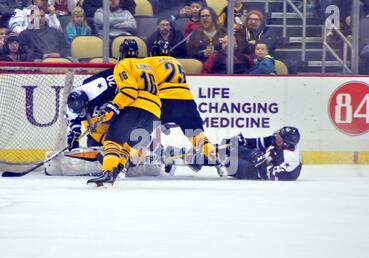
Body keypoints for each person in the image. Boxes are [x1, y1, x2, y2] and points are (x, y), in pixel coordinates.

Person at [86, 39, 162, 187]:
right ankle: (116, 170)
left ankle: (107, 173)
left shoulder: (123, 64)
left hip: (136, 107)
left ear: (121, 53)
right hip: (154, 112)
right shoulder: (147, 66)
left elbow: (129, 91)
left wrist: (113, 107)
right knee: (126, 145)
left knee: (112, 141)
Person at [146, 40, 227, 177]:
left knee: (139, 130)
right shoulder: (177, 63)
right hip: (186, 101)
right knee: (198, 136)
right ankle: (219, 163)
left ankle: (161, 155)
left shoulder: (149, 61)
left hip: (163, 100)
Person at [174, 126, 302, 181]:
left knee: (225, 158)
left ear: (286, 143)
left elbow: (272, 175)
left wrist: (260, 160)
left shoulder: (290, 159)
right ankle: (188, 156)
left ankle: (184, 159)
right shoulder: (278, 142)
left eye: (280, 137)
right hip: (257, 163)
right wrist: (243, 142)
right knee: (228, 146)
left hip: (253, 172)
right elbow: (258, 143)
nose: (276, 136)